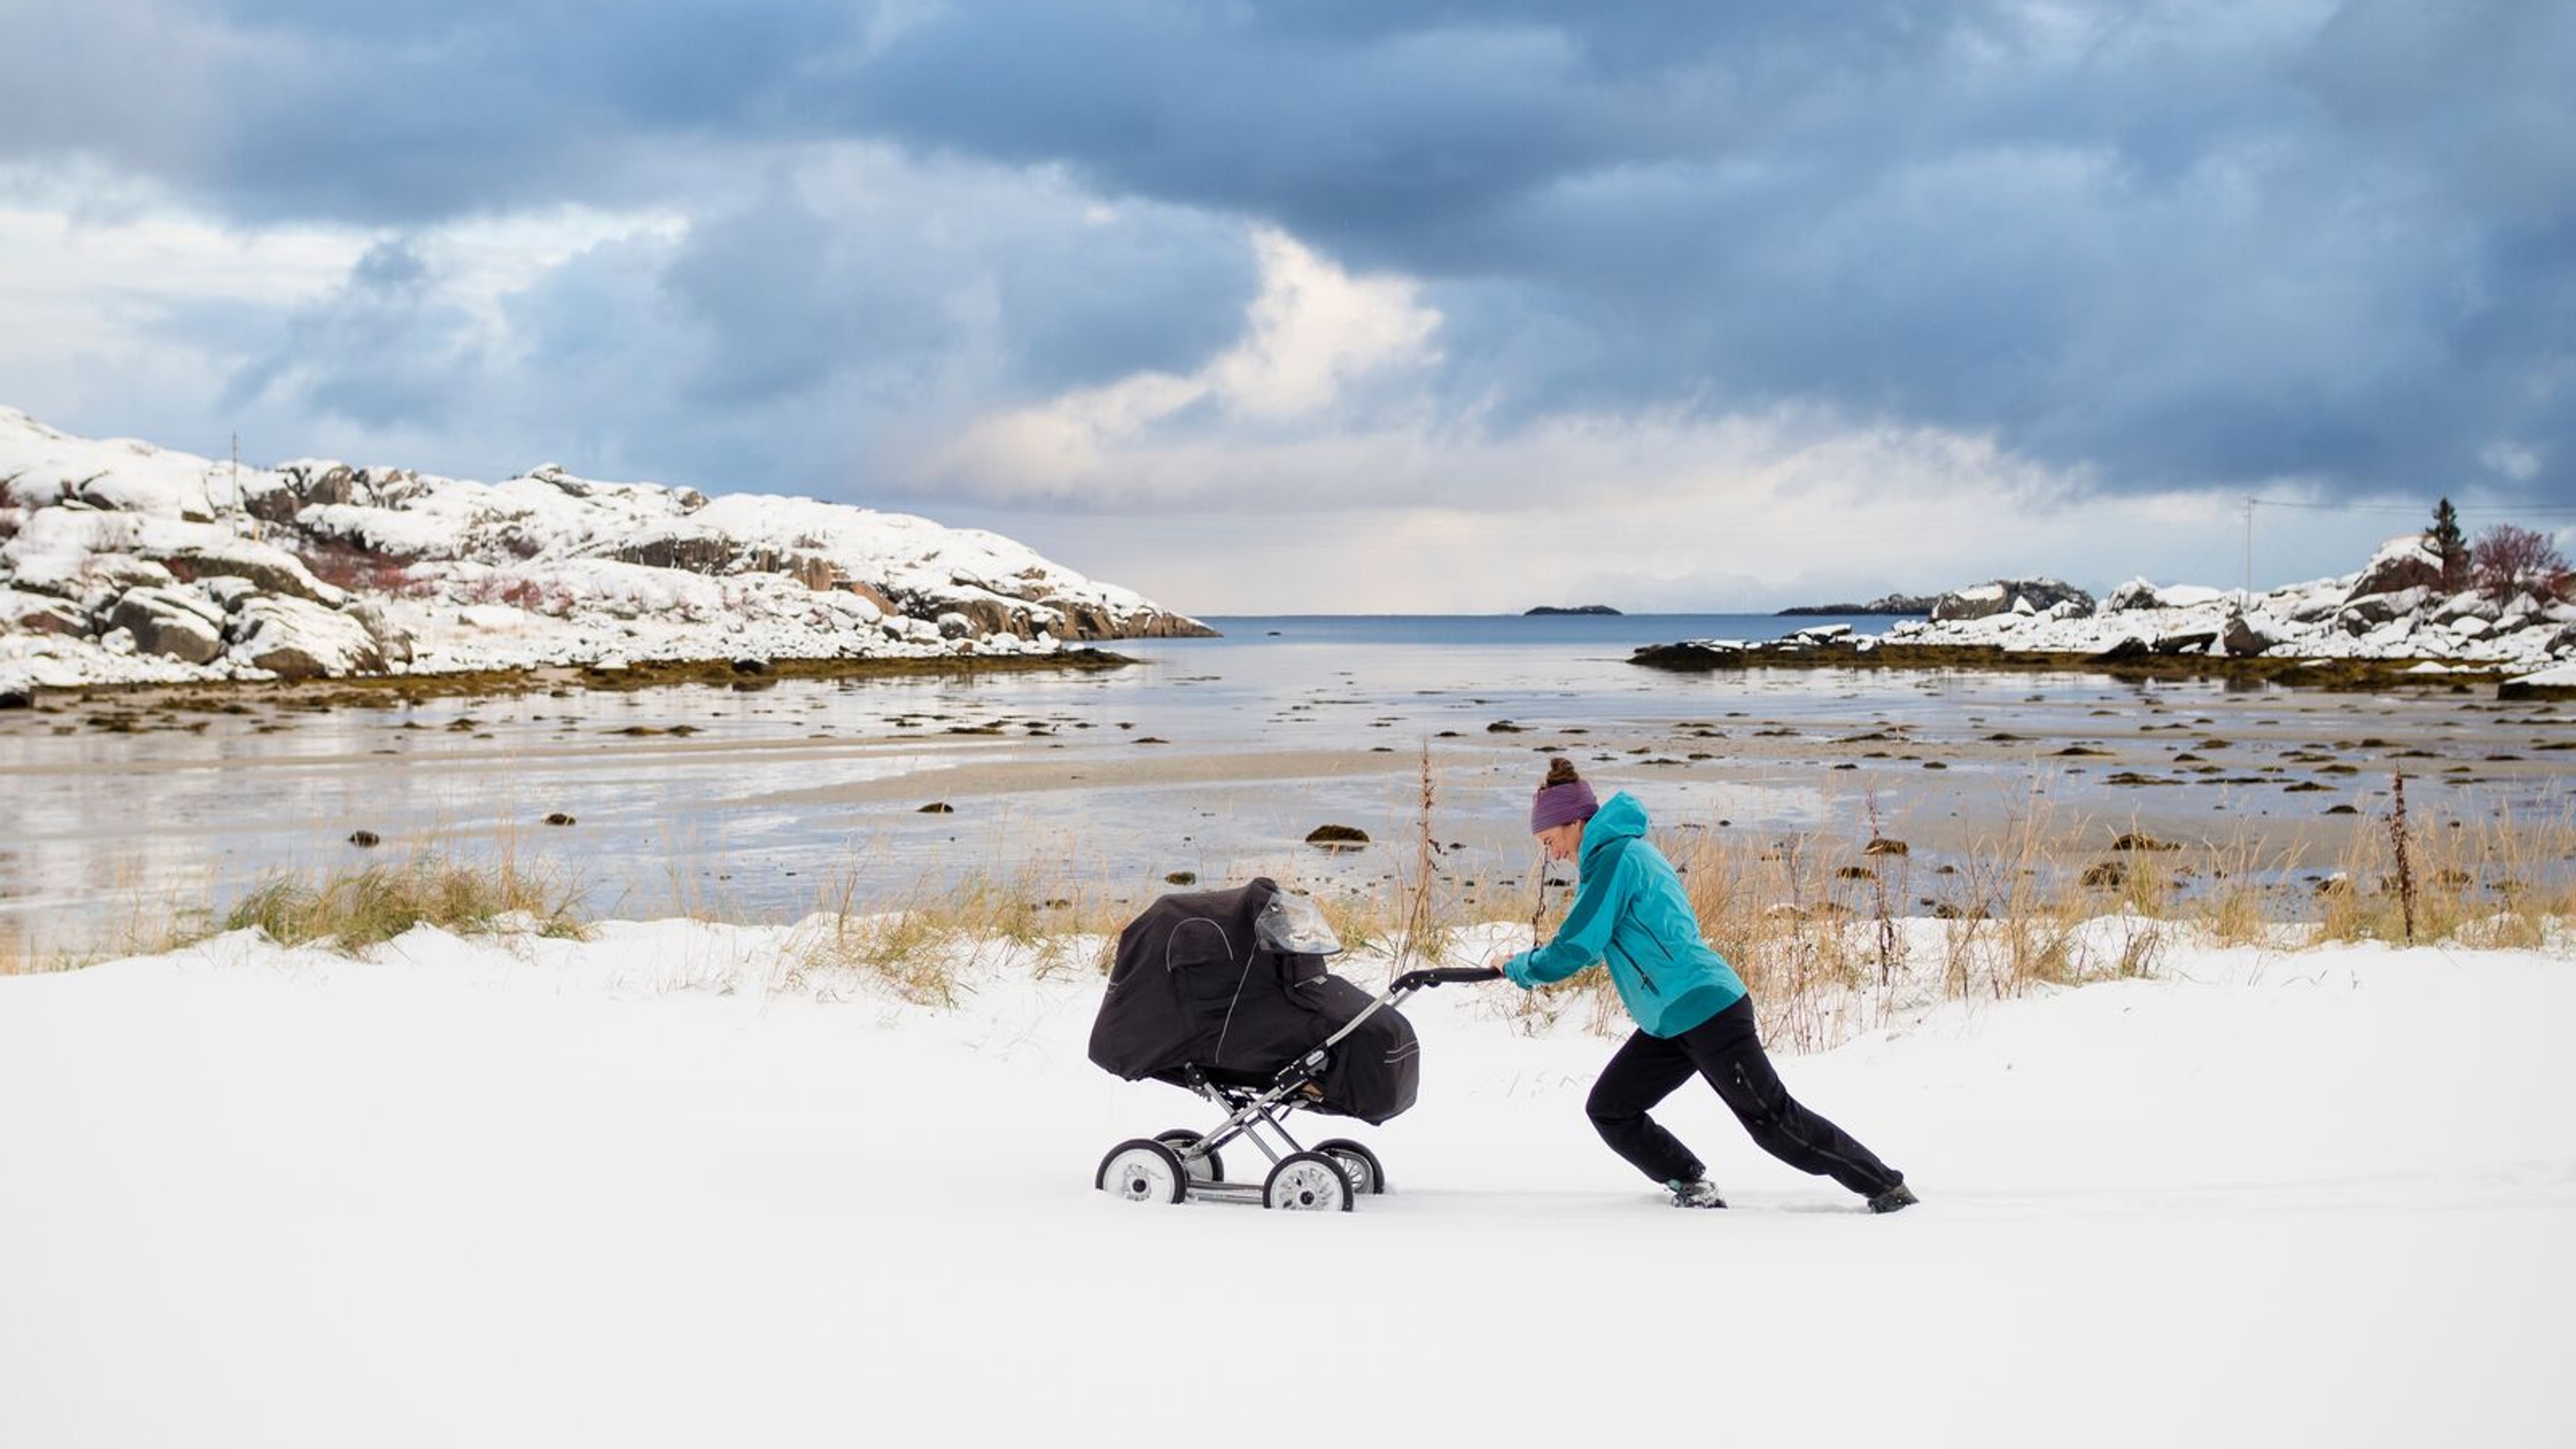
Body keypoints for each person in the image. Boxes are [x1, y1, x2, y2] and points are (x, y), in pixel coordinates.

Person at [1491, 757, 1918, 1213]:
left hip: (1708, 1010)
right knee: (1611, 1107)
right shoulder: (1616, 855)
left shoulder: (1616, 858)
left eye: (1551, 841)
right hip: (1670, 1021)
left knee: (1773, 1123)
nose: (1552, 854)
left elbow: (1576, 946)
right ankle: (1691, 1184)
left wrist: (1518, 966)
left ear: (1576, 823)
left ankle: (1886, 1187)